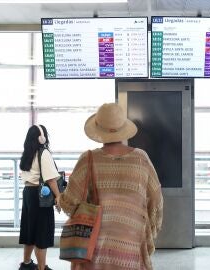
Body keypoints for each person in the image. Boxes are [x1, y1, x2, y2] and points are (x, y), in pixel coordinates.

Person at [59, 103, 163, 270]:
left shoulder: (88, 159)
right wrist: (148, 229)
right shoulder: (141, 159)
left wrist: (59, 198)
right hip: (132, 241)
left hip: (94, 245)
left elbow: (70, 202)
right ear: (123, 129)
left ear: (99, 131)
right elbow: (156, 200)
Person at [18, 124, 61, 270]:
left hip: (28, 193)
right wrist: (58, 196)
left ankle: (26, 263)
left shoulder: (27, 153)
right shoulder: (44, 153)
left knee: (30, 230)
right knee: (42, 232)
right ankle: (41, 267)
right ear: (42, 138)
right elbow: (51, 179)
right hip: (40, 196)